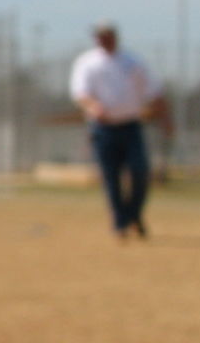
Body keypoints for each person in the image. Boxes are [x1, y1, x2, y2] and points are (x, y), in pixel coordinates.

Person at [69, 20, 172, 240]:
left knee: (140, 172)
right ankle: (120, 223)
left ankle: (133, 214)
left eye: (107, 35)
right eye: (99, 36)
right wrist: (93, 106)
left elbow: (155, 93)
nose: (103, 39)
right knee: (111, 178)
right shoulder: (87, 63)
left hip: (131, 126)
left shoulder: (132, 62)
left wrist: (166, 119)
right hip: (103, 129)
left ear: (115, 36)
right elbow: (81, 93)